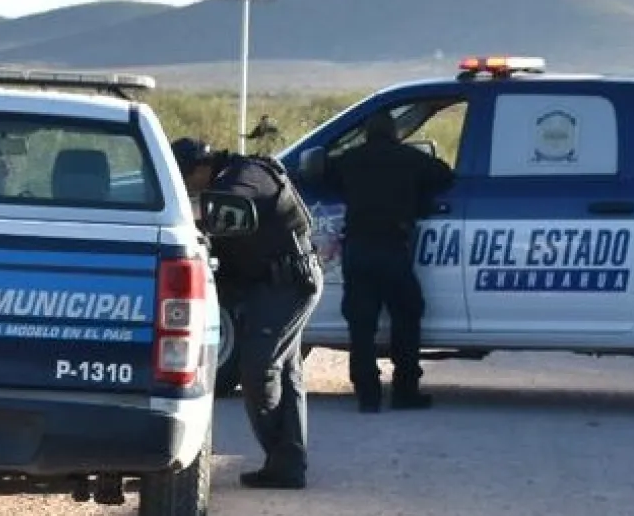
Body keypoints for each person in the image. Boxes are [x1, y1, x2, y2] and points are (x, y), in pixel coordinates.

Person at [171, 138, 323, 490]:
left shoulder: (247, 174)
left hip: (287, 282)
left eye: (186, 178)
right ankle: (288, 463)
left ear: (202, 167)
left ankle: (283, 458)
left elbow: (229, 206)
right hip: (273, 284)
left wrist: (192, 216)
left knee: (258, 370)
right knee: (286, 374)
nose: (188, 187)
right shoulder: (230, 177)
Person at [321, 109, 456, 413]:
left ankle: (367, 395)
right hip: (393, 249)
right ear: (394, 133)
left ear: (367, 133)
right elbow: (444, 173)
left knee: (361, 323)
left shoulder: (351, 160)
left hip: (358, 250)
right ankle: (405, 391)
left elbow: (320, 171)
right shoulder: (409, 159)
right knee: (407, 316)